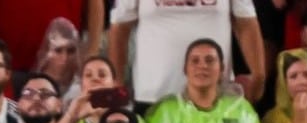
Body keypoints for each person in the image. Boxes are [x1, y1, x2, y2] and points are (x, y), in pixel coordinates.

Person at [107, 0, 265, 106]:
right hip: (152, 95)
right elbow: (120, 27)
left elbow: (246, 22)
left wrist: (258, 74)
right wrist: (116, 83)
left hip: (215, 96)